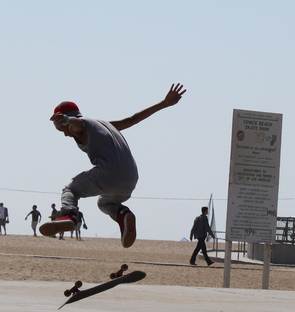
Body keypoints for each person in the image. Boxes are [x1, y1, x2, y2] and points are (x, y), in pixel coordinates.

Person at [40, 84, 186, 248]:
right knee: (104, 203)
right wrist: (164, 103)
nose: (66, 135)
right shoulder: (103, 125)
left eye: (62, 131)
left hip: (108, 174)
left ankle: (69, 216)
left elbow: (76, 125)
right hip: (131, 178)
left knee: (70, 190)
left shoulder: (78, 126)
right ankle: (122, 214)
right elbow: (132, 120)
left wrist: (67, 121)